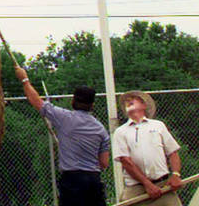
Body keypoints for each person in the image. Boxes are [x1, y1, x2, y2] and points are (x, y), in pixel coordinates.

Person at [14, 65, 110, 206]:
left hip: (72, 181)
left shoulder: (64, 118)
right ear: (92, 105)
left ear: (73, 101)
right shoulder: (100, 129)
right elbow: (104, 163)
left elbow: (36, 101)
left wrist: (24, 80)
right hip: (93, 180)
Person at [113, 90, 184, 205]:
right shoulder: (120, 132)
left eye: (134, 99)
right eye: (126, 101)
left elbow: (173, 152)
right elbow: (125, 161)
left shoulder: (158, 125)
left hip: (162, 185)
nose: (129, 101)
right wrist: (147, 184)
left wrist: (176, 175)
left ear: (144, 105)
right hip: (136, 188)